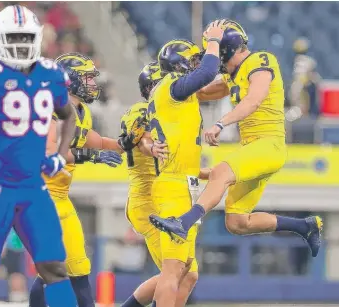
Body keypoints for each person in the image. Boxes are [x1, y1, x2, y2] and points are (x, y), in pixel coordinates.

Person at [150, 19, 323, 259]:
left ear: (225, 49)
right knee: (237, 222)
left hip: (269, 144)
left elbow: (253, 100)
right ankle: (305, 226)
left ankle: (184, 222)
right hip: (254, 149)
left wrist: (221, 123)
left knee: (221, 173)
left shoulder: (261, 61)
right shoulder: (234, 75)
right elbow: (198, 91)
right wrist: (162, 86)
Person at [0, 5, 79, 307]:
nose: (20, 43)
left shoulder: (51, 73)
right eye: (13, 37)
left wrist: (60, 155)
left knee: (55, 268)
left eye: (25, 37)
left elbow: (68, 114)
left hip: (34, 187)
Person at [28, 53, 124, 307]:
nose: (93, 83)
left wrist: (124, 144)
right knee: (61, 269)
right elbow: (50, 152)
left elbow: (94, 139)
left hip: (58, 197)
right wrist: (93, 156)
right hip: (39, 196)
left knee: (73, 267)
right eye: (88, 77)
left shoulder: (81, 111)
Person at [144, 21, 224, 307]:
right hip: (173, 185)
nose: (195, 65)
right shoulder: (171, 89)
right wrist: (214, 40)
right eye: (190, 60)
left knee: (187, 272)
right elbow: (207, 73)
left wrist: (240, 77)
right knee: (173, 269)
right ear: (177, 65)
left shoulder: (179, 94)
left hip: (183, 183)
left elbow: (214, 86)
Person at [121, 62, 206, 307]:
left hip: (161, 196)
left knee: (187, 274)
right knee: (176, 272)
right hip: (147, 199)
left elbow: (173, 156)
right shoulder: (142, 109)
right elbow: (139, 140)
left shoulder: (168, 113)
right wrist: (150, 147)